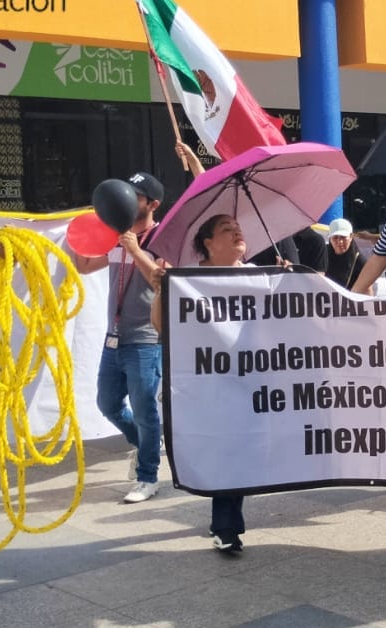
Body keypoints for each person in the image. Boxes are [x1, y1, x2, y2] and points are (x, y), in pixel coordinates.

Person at [150, 213, 255, 551]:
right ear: (207, 243)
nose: (237, 233)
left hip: (250, 381)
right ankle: (224, 525)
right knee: (221, 449)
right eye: (227, 230)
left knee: (237, 450)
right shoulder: (188, 280)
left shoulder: (259, 277)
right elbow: (162, 326)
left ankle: (226, 524)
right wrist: (160, 291)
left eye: (238, 229)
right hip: (207, 384)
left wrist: (288, 281)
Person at [73, 171, 167, 503]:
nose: (126, 200)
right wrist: (81, 235)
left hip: (145, 338)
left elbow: (161, 279)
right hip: (113, 337)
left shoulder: (163, 238)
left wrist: (135, 248)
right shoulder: (115, 236)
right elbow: (85, 266)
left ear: (152, 204)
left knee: (144, 409)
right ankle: (146, 444)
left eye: (135, 196)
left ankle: (148, 476)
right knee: (107, 403)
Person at [322, 218, 363, 289]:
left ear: (351, 237)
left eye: (343, 237)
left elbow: (367, 291)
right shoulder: (322, 255)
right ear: (330, 239)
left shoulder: (359, 261)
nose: (340, 241)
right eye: (335, 238)